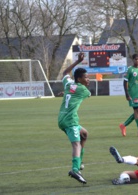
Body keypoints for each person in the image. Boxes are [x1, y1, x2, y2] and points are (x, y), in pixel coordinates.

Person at [58, 52, 91, 184]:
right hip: (70, 120)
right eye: (86, 77)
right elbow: (84, 93)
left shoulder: (68, 85)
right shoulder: (84, 90)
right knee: (76, 144)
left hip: (61, 118)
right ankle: (75, 169)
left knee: (84, 134)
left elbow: (65, 72)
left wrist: (78, 61)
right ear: (79, 79)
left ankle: (80, 162)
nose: (88, 79)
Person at [119, 54, 138, 136]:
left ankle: (123, 125)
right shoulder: (130, 69)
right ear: (133, 60)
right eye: (136, 59)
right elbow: (125, 82)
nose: (137, 61)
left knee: (137, 112)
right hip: (132, 93)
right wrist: (127, 94)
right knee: (137, 111)